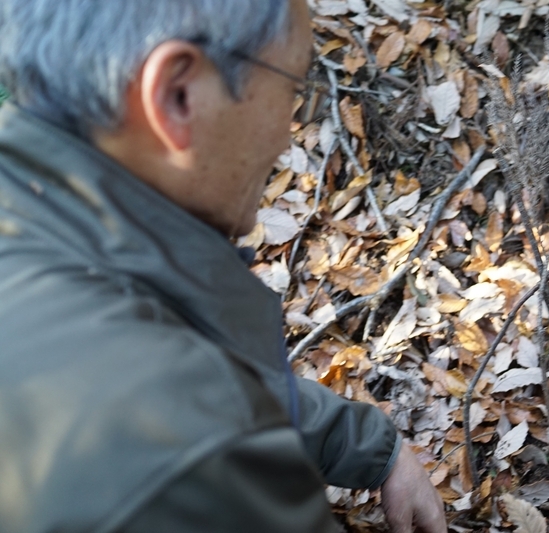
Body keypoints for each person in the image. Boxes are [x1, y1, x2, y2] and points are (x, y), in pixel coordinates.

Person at [0, 0, 446, 532]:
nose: (288, 135)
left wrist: (371, 446)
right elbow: (185, 419)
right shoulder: (186, 455)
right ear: (178, 96)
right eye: (292, 87)